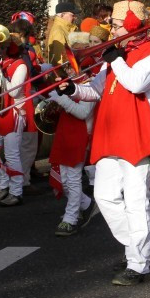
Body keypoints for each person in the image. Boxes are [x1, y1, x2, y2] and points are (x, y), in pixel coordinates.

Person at [69, 0, 150, 285]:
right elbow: (96, 91)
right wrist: (70, 89)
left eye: (115, 25)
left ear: (130, 27)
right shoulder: (119, 55)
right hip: (112, 134)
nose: (111, 30)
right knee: (104, 197)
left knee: (136, 201)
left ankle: (138, 264)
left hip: (141, 136)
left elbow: (135, 84)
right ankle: (137, 247)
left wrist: (115, 58)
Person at [46, 31, 96, 237]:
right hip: (64, 133)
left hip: (79, 134)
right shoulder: (70, 82)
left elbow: (83, 112)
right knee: (65, 180)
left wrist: (60, 99)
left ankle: (70, 218)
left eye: (71, 63)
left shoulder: (91, 83)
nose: (67, 67)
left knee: (73, 179)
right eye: (67, 63)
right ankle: (85, 204)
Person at [0, 21, 34, 207]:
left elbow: (14, 92)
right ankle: (3, 185)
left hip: (14, 111)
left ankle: (16, 191)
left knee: (12, 154)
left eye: (3, 47)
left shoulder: (20, 65)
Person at [45, 1, 78, 65]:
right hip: (64, 73)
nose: (75, 18)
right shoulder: (58, 31)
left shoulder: (65, 29)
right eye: (72, 15)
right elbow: (61, 60)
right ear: (62, 15)